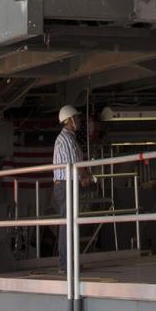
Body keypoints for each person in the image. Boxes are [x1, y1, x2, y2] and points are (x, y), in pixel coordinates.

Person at [53, 105, 91, 273]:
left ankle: (69, 263)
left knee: (70, 223)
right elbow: (73, 163)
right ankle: (65, 264)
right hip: (66, 183)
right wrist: (84, 177)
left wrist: (82, 176)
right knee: (68, 224)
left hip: (68, 183)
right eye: (77, 117)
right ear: (70, 120)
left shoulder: (69, 138)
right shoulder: (66, 140)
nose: (79, 120)